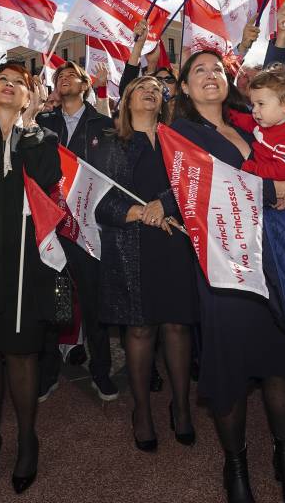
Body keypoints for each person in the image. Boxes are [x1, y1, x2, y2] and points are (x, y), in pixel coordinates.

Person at [170, 49, 285, 503]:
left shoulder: (253, 120)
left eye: (217, 68)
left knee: (281, 361)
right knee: (230, 367)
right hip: (225, 263)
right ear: (185, 87)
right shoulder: (181, 134)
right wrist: (277, 189)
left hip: (276, 257)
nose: (210, 74)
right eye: (198, 70)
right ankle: (236, 466)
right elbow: (199, 190)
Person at [93, 75, 198, 452]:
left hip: (176, 243)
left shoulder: (178, 140)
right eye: (142, 87)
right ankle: (141, 412)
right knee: (139, 331)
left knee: (178, 327)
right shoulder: (111, 142)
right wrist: (141, 212)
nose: (151, 91)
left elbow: (194, 184)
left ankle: (181, 407)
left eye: (157, 88)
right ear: (126, 100)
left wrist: (165, 205)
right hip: (131, 245)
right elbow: (99, 202)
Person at [0, 61, 59, 495]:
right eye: (2, 81)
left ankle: (28, 439)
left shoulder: (42, 138)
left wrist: (26, 129)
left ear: (30, 97)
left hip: (27, 262)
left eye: (19, 83)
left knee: (23, 355)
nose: (9, 86)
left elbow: (46, 179)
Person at [36, 60, 117, 401]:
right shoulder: (42, 123)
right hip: (52, 225)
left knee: (93, 301)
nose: (65, 78)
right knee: (55, 301)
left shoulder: (104, 124)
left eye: (72, 75)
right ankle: (48, 370)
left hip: (87, 227)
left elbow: (111, 172)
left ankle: (101, 370)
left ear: (85, 86)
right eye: (60, 76)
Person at [238, 67, 285, 181]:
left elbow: (280, 172)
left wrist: (252, 168)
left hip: (281, 186)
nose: (254, 110)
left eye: (261, 104)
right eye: (253, 105)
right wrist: (229, 114)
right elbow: (247, 122)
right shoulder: (268, 120)